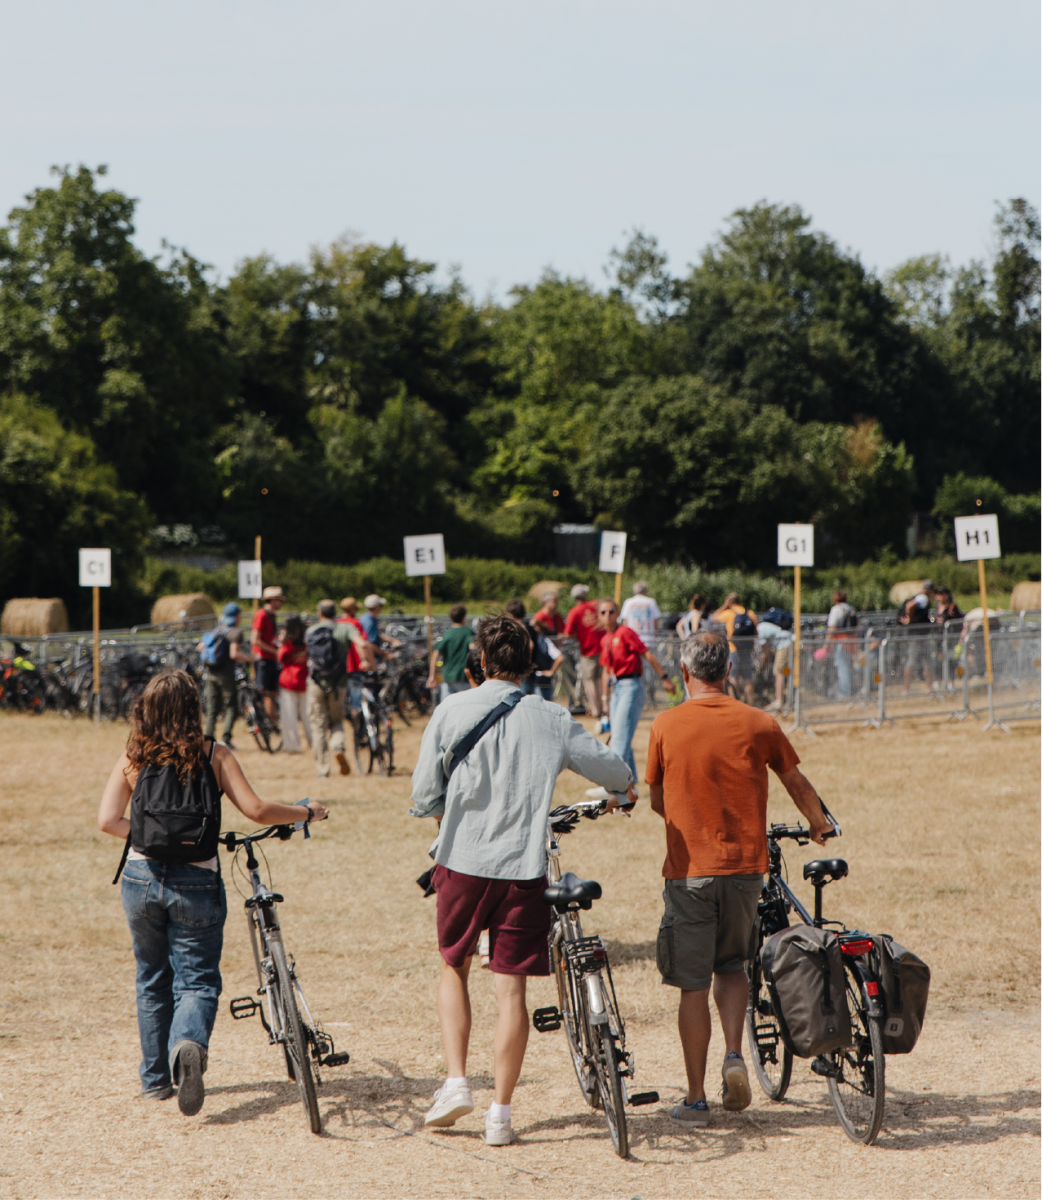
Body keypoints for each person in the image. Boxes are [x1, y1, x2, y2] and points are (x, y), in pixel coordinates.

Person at [409, 614, 635, 1147]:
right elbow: (615, 772)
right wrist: (623, 791)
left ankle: (457, 1081)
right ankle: (500, 1115)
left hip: (462, 861)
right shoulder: (552, 717)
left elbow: (423, 796)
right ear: (531, 663)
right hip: (523, 868)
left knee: (454, 967)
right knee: (511, 990)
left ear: (481, 661)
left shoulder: (452, 708)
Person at [97, 670, 329, 1114]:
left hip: (140, 877)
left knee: (151, 977)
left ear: (147, 708)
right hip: (196, 879)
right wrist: (305, 812)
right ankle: (188, 1045)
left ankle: (154, 1081)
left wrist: (148, 837)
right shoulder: (214, 753)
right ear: (193, 707)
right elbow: (257, 809)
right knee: (197, 981)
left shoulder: (135, 755)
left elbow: (108, 820)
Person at [645, 631, 832, 1128]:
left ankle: (695, 1097)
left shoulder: (665, 725)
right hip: (747, 870)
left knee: (692, 984)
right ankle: (734, 1054)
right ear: (728, 671)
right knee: (732, 966)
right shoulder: (759, 722)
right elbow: (795, 779)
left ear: (685, 673)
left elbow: (658, 801)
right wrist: (819, 823)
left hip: (690, 873)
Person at [598, 599, 677, 780]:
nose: (607, 616)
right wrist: (604, 699)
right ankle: (630, 781)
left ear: (618, 614)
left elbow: (646, 653)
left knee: (619, 739)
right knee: (619, 735)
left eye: (611, 611)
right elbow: (605, 670)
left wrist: (664, 678)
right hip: (617, 687)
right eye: (603, 612)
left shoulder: (625, 632)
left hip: (630, 685)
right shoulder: (605, 639)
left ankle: (613, 784)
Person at [306, 599, 367, 777]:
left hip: (316, 683)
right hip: (339, 684)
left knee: (318, 726)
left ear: (320, 613)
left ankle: (323, 769)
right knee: (337, 720)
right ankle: (338, 747)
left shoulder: (311, 630)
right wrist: (365, 660)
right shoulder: (345, 627)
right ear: (336, 613)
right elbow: (361, 643)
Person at [198, 603, 252, 748]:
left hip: (210, 673)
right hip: (226, 675)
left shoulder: (217, 630)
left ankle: (208, 739)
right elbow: (234, 654)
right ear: (238, 616)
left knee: (212, 708)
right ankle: (226, 739)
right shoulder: (235, 633)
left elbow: (201, 647)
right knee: (231, 707)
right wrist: (250, 658)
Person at [504, 599, 564, 701]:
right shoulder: (531, 628)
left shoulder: (518, 628)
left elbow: (530, 645)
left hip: (525, 673)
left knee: (522, 701)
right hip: (538, 671)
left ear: (511, 615)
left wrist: (524, 664)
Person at [563, 584, 605, 719]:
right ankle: (602, 707)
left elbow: (567, 633)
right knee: (599, 679)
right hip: (602, 646)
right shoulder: (595, 606)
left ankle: (595, 710)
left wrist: (578, 634)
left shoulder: (574, 611)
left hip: (587, 650)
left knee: (589, 680)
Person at [711, 593, 758, 705]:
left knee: (733, 677)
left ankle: (734, 704)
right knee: (748, 678)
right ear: (740, 601)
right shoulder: (750, 613)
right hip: (747, 648)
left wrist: (724, 606)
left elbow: (713, 617)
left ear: (729, 602)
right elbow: (756, 632)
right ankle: (750, 704)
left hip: (733, 648)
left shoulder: (729, 613)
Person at [277, 615, 313, 754]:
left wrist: (282, 641)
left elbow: (280, 657)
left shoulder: (288, 643)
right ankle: (314, 742)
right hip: (304, 680)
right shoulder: (306, 643)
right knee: (308, 715)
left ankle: (292, 745)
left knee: (289, 716)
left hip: (288, 681)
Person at [251, 587, 284, 723]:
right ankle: (267, 721)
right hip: (263, 659)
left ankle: (272, 721)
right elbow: (255, 640)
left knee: (273, 691)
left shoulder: (272, 615)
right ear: (273, 600)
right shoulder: (261, 615)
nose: (281, 603)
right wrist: (275, 651)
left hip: (271, 659)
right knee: (265, 692)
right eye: (280, 600)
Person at [429, 604, 473, 702]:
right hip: (463, 676)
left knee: (448, 708)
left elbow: (435, 654)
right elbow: (473, 649)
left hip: (448, 677)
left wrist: (432, 676)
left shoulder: (447, 635)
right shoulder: (468, 632)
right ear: (464, 617)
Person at [898, 580, 936, 695]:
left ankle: (924, 688)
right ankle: (909, 689)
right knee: (916, 662)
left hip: (917, 636)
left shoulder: (918, 597)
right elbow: (910, 606)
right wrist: (910, 620)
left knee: (923, 662)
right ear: (930, 590)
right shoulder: (923, 598)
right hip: (918, 637)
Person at [755, 609, 794, 713]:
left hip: (784, 644)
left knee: (778, 671)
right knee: (786, 670)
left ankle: (779, 700)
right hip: (790, 641)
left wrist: (761, 669)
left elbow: (766, 654)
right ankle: (786, 696)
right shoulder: (763, 626)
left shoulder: (758, 630)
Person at [338, 596, 370, 713]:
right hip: (355, 665)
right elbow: (362, 643)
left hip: (340, 666)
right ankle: (357, 723)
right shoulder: (355, 623)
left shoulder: (336, 623)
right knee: (355, 700)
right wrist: (365, 659)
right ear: (352, 610)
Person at [825, 590, 857, 698]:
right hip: (852, 641)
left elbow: (832, 628)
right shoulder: (850, 608)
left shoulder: (836, 609)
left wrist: (826, 644)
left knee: (842, 668)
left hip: (840, 642)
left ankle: (845, 693)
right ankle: (850, 690)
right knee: (848, 667)